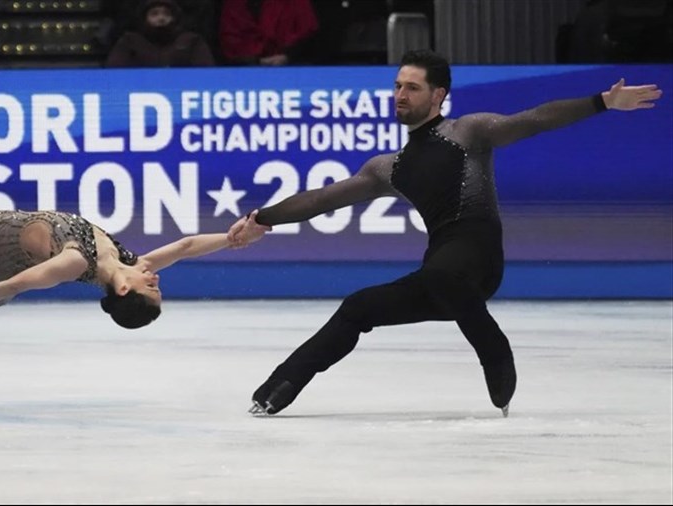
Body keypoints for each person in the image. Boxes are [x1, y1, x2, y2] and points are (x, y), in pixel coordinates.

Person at [228, 49, 663, 417]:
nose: (400, 95)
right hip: (443, 274)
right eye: (398, 85)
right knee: (358, 307)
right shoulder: (389, 167)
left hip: (477, 260)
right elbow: (324, 199)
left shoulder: (467, 133)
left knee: (440, 275)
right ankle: (277, 389)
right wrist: (262, 218)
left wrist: (602, 102)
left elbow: (533, 120)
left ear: (438, 95)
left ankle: (494, 349)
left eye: (412, 88)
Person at [0, 204, 268, 411]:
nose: (156, 279)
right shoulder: (132, 264)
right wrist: (234, 238)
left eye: (152, 289)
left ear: (125, 292)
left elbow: (18, 283)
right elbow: (185, 247)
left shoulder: (76, 263)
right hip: (9, 260)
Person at [105, 0, 214, 68]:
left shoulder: (191, 42)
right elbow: (114, 73)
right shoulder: (129, 42)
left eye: (167, 14)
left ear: (174, 18)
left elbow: (207, 74)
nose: (161, 18)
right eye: (154, 14)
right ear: (145, 18)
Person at [218, 0, 318, 66]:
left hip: (293, 68)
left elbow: (308, 34)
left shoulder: (294, 3)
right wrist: (256, 61)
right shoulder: (234, 5)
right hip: (244, 72)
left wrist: (287, 57)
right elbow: (229, 41)